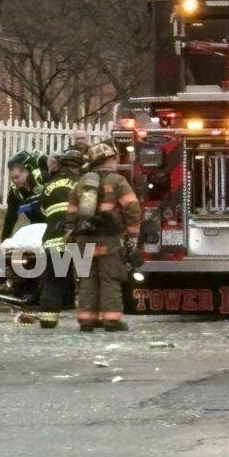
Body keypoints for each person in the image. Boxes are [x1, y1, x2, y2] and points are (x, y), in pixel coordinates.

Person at [66, 140, 141, 332]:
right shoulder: (117, 181)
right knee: (110, 278)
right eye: (115, 158)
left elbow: (72, 211)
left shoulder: (81, 183)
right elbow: (131, 208)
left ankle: (87, 319)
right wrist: (133, 234)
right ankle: (112, 320)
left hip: (84, 239)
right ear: (110, 159)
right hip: (109, 239)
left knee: (87, 279)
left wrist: (71, 235)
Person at [35, 148, 84, 329]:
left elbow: (42, 211)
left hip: (54, 240)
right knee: (87, 281)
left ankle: (48, 320)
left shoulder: (48, 186)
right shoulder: (81, 183)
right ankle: (89, 319)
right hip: (77, 240)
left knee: (54, 281)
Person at [0, 149, 48, 241]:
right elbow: (10, 217)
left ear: (26, 171)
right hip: (37, 226)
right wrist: (4, 240)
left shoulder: (43, 178)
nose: (14, 181)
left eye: (17, 177)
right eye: (12, 178)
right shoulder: (15, 192)